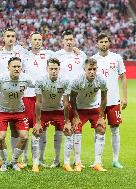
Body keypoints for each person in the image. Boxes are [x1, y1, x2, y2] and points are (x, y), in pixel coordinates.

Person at [0, 28, 28, 169]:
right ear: (3, 38)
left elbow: (36, 56)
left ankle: (14, 160)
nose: (11, 38)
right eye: (8, 36)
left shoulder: (21, 52)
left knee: (15, 130)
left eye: (13, 36)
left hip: (16, 96)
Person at [50, 30, 87, 168]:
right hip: (61, 96)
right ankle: (57, 159)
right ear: (62, 41)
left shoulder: (81, 55)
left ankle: (77, 160)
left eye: (71, 39)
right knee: (60, 128)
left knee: (77, 127)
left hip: (77, 97)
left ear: (74, 41)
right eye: (67, 39)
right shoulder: (56, 55)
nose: (69, 41)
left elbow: (88, 70)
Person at [0, 57, 34, 172]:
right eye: (14, 66)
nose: (16, 69)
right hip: (2, 111)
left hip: (19, 111)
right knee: (0, 136)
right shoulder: (1, 78)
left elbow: (38, 85)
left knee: (24, 137)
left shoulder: (26, 79)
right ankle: (4, 162)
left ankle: (14, 162)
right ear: (8, 68)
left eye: (18, 66)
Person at [92, 33, 127, 168]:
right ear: (97, 44)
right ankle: (97, 160)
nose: (104, 44)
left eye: (106, 41)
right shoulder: (93, 59)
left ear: (109, 43)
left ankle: (115, 160)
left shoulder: (116, 58)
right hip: (98, 101)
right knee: (99, 129)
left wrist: (124, 97)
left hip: (114, 100)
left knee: (115, 129)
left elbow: (123, 77)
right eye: (101, 42)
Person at [32, 58, 71, 172]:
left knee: (67, 133)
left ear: (59, 69)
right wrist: (38, 122)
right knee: (36, 133)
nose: (53, 71)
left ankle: (61, 161)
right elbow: (38, 102)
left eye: (55, 69)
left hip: (58, 110)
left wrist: (67, 121)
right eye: (51, 69)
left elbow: (65, 102)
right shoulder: (40, 80)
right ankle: (36, 162)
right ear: (47, 69)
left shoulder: (65, 81)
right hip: (43, 110)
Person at [22, 31, 54, 167]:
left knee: (42, 128)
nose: (37, 42)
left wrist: (77, 51)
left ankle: (40, 158)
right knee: (24, 128)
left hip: (43, 97)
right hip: (26, 97)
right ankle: (24, 158)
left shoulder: (49, 55)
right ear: (30, 40)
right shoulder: (24, 55)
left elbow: (65, 55)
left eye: (39, 39)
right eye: (34, 39)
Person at [70, 58, 108, 172]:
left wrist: (101, 117)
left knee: (101, 129)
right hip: (80, 109)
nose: (92, 72)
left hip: (94, 108)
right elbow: (72, 98)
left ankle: (97, 162)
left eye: (94, 69)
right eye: (89, 69)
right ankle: (77, 162)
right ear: (84, 69)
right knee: (76, 130)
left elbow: (104, 97)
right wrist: (76, 117)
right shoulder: (77, 80)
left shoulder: (101, 79)